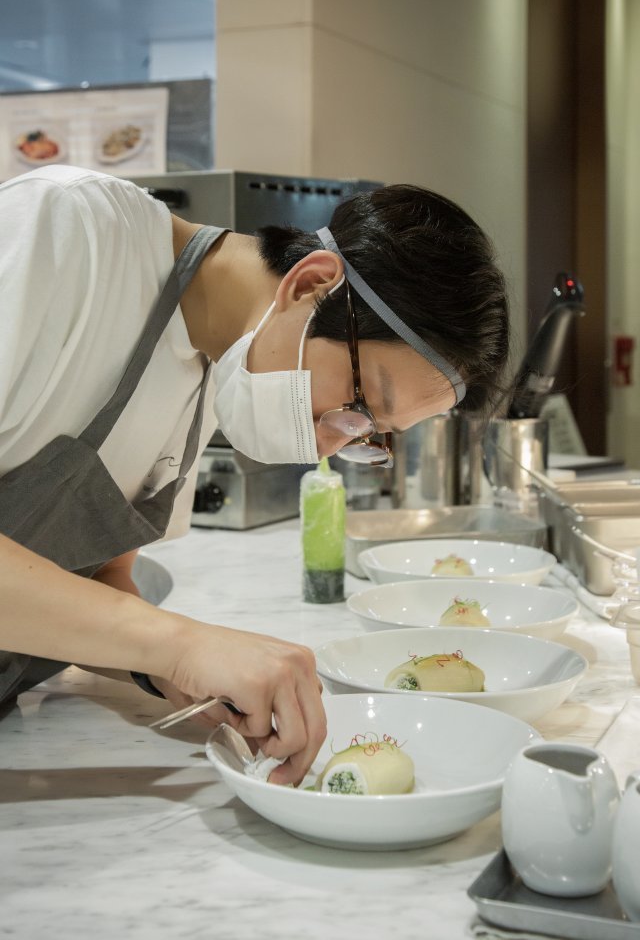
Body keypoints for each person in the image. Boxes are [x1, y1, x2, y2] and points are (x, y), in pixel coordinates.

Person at [0, 165, 509, 785]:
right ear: (311, 284)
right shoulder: (66, 228)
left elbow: (104, 580)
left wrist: (177, 671)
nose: (334, 437)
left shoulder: (212, 371)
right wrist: (178, 644)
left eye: (370, 435)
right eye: (358, 399)